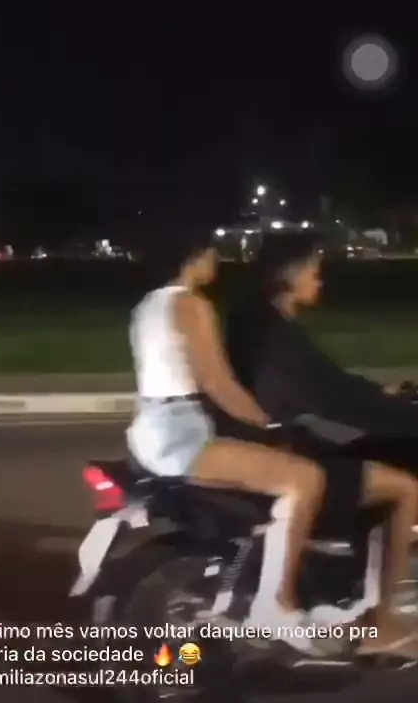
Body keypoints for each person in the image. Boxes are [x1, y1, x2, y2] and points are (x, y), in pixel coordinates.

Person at [127, 224, 417, 658]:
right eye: (211, 250)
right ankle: (285, 606)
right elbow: (218, 384)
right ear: (195, 254)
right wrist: (268, 425)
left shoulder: (148, 306)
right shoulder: (191, 304)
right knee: (308, 479)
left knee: (314, 469)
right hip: (181, 434)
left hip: (153, 427)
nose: (216, 258)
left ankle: (322, 592)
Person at [223, 232, 418, 657]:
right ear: (291, 276)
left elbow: (330, 385)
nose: (320, 281)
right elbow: (331, 397)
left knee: (368, 454)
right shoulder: (276, 336)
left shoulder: (256, 321)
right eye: (314, 272)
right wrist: (402, 415)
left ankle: (345, 585)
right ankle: (380, 624)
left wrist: (380, 395)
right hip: (278, 453)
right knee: (404, 488)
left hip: (266, 442)